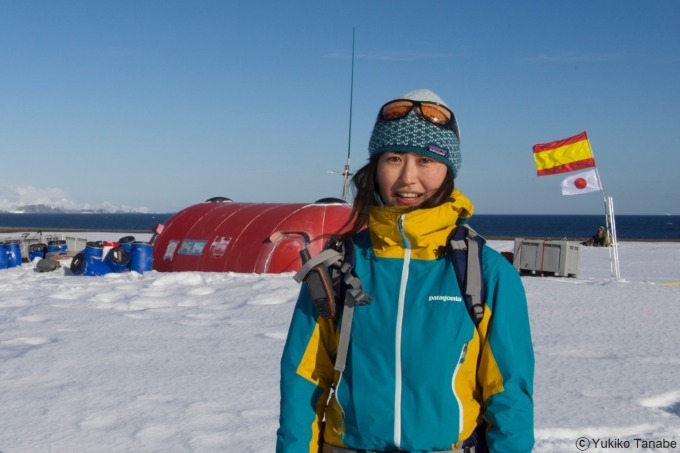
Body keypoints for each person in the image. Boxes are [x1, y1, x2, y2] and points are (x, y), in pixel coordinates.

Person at [277, 89, 534, 453]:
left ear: (448, 171)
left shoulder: (484, 272)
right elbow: (304, 378)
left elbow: (508, 391)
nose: (408, 178)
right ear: (375, 166)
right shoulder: (336, 267)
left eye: (425, 161)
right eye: (394, 158)